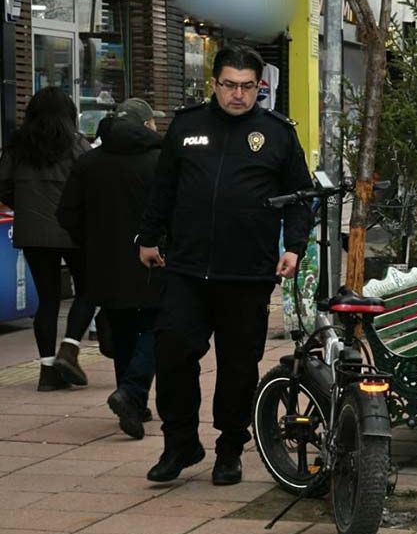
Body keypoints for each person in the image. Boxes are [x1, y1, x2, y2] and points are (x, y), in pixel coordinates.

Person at [137, 45, 312, 484]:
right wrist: (148, 237)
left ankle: (230, 448)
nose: (238, 95)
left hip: (247, 273)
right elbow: (163, 187)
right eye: (230, 85)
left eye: (248, 87)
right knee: (173, 353)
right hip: (186, 268)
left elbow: (301, 198)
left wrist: (294, 246)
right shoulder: (187, 125)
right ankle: (180, 443)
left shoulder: (277, 133)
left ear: (259, 87)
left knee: (237, 366)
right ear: (214, 83)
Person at [57, 100, 165, 439]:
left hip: (104, 261)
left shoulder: (89, 162)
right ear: (145, 125)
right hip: (153, 258)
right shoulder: (160, 161)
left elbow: (66, 214)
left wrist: (90, 242)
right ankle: (132, 393)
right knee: (157, 326)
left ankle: (131, 399)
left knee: (122, 329)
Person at [0, 87, 94, 391]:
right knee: (89, 288)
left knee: (48, 299)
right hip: (73, 229)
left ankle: (47, 371)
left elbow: (3, 187)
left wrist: (25, 207)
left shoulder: (16, 147)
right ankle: (69, 348)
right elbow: (92, 183)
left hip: (33, 232)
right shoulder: (77, 145)